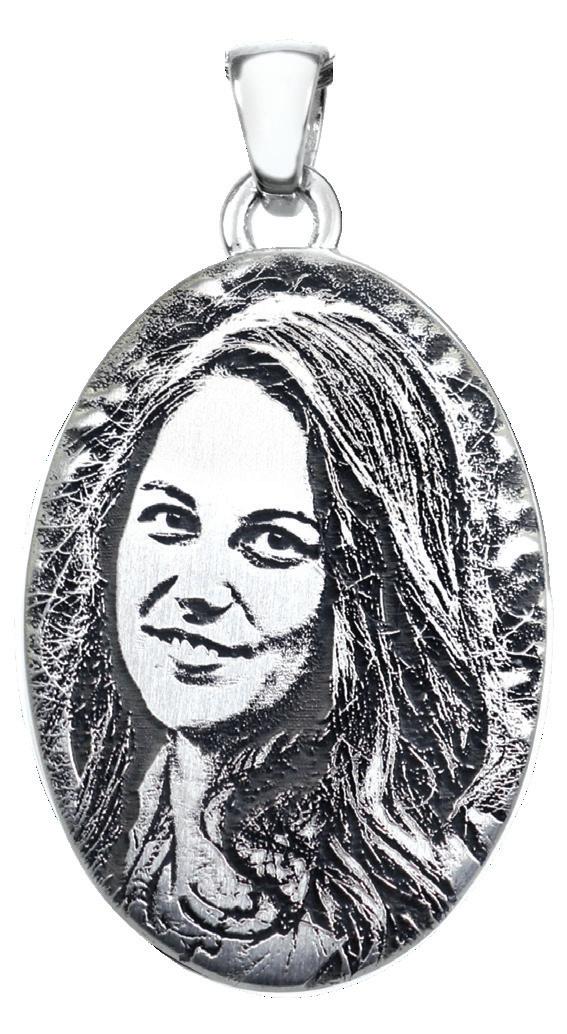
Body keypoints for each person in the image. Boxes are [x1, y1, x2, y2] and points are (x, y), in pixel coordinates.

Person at [31, 292, 517, 988]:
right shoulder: (91, 840)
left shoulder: (438, 882)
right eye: (170, 520)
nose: (197, 588)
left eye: (273, 542)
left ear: (373, 587)